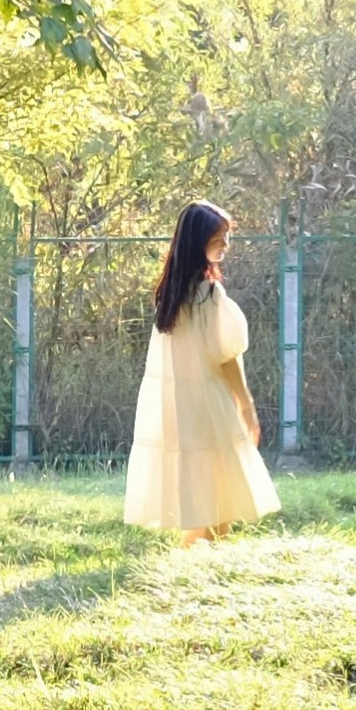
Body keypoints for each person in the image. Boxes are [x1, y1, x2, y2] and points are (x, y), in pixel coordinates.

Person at [123, 200, 277, 542]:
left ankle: (202, 555)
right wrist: (245, 404)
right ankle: (200, 555)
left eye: (226, 236)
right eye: (218, 238)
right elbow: (226, 355)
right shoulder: (208, 293)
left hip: (178, 404)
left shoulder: (170, 294)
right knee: (219, 493)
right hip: (208, 401)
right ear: (198, 242)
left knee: (202, 492)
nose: (226, 245)